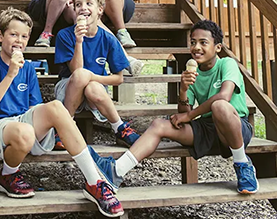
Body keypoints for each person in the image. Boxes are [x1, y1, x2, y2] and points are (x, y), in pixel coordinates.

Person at [0, 7, 123, 218]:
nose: (18, 41)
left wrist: (53, 123)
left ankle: (94, 181)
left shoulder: (28, 68)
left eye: (24, 36)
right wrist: (10, 75)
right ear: (0, 35)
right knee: (25, 132)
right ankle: (7, 175)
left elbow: (33, 108)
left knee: (56, 107)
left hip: (22, 125)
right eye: (13, 34)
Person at [88, 20, 259, 195]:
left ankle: (242, 164)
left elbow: (224, 96)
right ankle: (116, 171)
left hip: (235, 127)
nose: (196, 47)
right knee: (158, 125)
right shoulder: (193, 72)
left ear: (218, 47)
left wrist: (190, 115)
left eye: (203, 42)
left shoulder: (227, 64)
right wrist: (184, 90)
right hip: (207, 129)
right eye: (193, 42)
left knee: (220, 106)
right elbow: (183, 114)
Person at [54, 0, 140, 149]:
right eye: (78, 4)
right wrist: (79, 40)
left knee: (92, 86)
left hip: (95, 91)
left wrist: (92, 77)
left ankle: (119, 128)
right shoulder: (65, 35)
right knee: (80, 76)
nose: (83, 8)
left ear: (100, 10)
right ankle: (64, 127)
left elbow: (118, 78)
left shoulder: (108, 38)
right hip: (68, 87)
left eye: (88, 3)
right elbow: (76, 71)